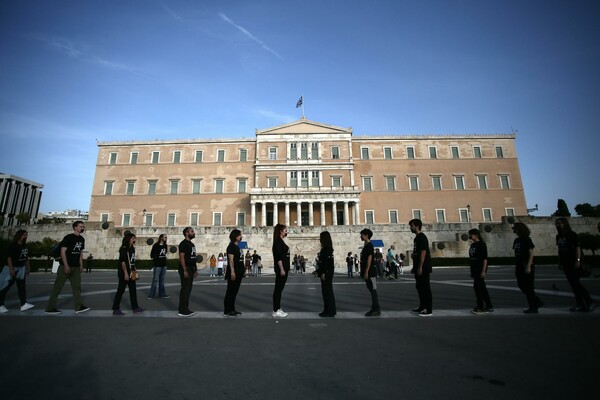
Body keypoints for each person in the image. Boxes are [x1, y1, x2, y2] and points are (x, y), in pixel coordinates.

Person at [45, 221, 91, 315]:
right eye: (80, 226)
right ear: (75, 227)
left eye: (83, 226)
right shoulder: (68, 238)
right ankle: (50, 308)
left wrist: (81, 265)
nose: (82, 228)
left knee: (77, 287)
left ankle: (78, 307)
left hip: (76, 267)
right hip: (65, 266)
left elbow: (80, 253)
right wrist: (65, 265)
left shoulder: (82, 239)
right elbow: (63, 251)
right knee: (58, 287)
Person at [555, 218, 595, 312]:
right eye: (556, 223)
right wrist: (559, 262)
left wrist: (577, 260)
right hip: (565, 263)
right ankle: (580, 304)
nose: (557, 225)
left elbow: (578, 248)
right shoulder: (558, 236)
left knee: (576, 284)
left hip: (573, 262)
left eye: (559, 223)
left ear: (564, 224)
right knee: (573, 285)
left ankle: (590, 302)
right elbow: (560, 250)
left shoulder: (571, 234)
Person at [0, 230, 34, 313]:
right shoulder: (13, 246)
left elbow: (26, 257)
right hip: (11, 268)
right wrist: (11, 269)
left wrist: (28, 267)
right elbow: (9, 257)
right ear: (19, 236)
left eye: (26, 235)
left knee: (21, 287)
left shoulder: (25, 246)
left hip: (21, 268)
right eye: (24, 235)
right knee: (5, 287)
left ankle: (23, 304)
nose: (25, 237)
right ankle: (0, 305)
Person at [512, 222, 543, 313]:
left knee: (529, 287)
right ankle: (537, 301)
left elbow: (531, 254)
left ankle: (533, 307)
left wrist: (528, 266)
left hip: (526, 266)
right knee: (521, 285)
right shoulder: (516, 241)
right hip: (519, 266)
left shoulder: (527, 239)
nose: (515, 230)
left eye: (516, 228)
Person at [112, 233, 144, 315]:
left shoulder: (132, 248)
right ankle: (116, 308)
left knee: (133, 291)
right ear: (128, 239)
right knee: (120, 291)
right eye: (133, 238)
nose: (134, 240)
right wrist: (125, 273)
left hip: (131, 272)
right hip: (124, 273)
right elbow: (123, 262)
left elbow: (133, 261)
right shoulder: (124, 248)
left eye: (135, 238)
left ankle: (135, 307)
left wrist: (135, 271)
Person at [409, 219, 433, 316]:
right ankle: (422, 306)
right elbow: (417, 253)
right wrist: (414, 267)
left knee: (425, 288)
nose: (410, 228)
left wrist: (420, 267)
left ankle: (428, 309)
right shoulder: (417, 238)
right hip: (418, 267)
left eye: (412, 226)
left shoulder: (422, 237)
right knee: (419, 287)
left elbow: (423, 252)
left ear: (417, 226)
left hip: (424, 267)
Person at [468, 229, 494, 314]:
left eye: (471, 235)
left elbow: (485, 259)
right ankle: (489, 306)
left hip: (480, 269)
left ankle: (480, 307)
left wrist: (483, 271)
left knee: (478, 288)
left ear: (476, 235)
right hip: (475, 269)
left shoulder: (482, 244)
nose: (470, 237)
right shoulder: (473, 245)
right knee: (482, 289)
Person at [224, 229, 245, 316]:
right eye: (240, 235)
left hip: (239, 272)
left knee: (234, 292)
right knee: (231, 291)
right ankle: (227, 310)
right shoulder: (231, 247)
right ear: (236, 236)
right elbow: (231, 260)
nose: (241, 236)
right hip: (234, 272)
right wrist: (232, 272)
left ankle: (232, 308)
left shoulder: (237, 247)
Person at [178, 227, 198, 317]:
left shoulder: (192, 244)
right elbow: (182, 257)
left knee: (188, 289)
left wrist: (195, 269)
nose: (194, 233)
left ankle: (186, 308)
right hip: (186, 269)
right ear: (186, 233)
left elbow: (193, 257)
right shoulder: (183, 244)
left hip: (191, 269)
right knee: (185, 289)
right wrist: (184, 270)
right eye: (192, 231)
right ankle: (182, 310)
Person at [360, 228, 381, 316]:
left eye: (362, 235)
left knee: (373, 290)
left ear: (366, 235)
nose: (360, 236)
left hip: (370, 272)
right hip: (368, 271)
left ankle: (376, 309)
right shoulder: (366, 245)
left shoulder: (369, 245)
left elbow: (369, 258)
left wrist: (366, 271)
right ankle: (374, 308)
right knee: (371, 289)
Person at [316, 231, 336, 317]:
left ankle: (329, 311)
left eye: (321, 238)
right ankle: (328, 310)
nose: (320, 240)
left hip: (327, 273)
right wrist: (318, 271)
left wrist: (323, 272)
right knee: (326, 292)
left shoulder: (327, 249)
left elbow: (327, 262)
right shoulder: (326, 248)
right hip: (326, 272)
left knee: (327, 292)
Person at [272, 224, 290, 318]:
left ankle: (278, 309)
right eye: (285, 230)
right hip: (281, 270)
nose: (286, 231)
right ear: (281, 231)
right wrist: (282, 269)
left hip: (284, 269)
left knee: (279, 290)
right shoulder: (278, 242)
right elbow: (278, 257)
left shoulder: (280, 241)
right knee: (278, 290)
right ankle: (275, 310)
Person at [148, 234, 169, 299]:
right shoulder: (156, 245)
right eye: (165, 237)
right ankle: (151, 294)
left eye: (166, 237)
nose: (166, 238)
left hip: (164, 264)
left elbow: (165, 253)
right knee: (155, 280)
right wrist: (156, 258)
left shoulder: (165, 245)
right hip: (157, 265)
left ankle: (162, 294)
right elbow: (152, 255)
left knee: (162, 280)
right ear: (161, 238)